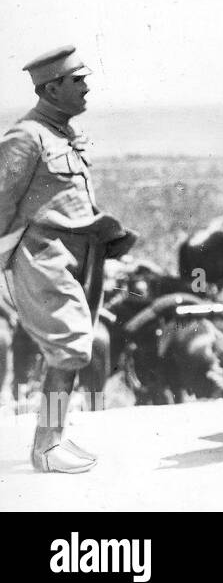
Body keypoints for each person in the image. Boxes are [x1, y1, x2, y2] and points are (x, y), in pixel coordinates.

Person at [0, 45, 137, 473]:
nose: (86, 87)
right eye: (77, 81)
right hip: (42, 256)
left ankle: (54, 439)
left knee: (75, 346)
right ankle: (45, 447)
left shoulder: (61, 133)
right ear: (52, 87)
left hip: (79, 255)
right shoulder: (27, 136)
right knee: (72, 346)